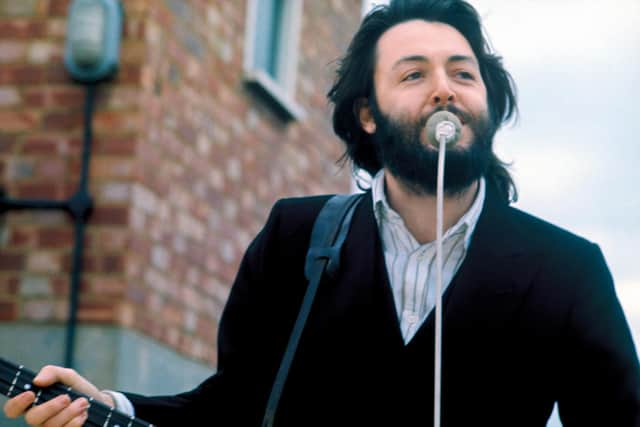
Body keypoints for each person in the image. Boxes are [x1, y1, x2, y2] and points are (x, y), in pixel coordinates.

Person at [4, 0, 640, 425]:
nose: (445, 87)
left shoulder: (568, 270)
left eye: (463, 73)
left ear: (487, 103)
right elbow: (230, 408)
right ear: (368, 113)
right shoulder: (298, 236)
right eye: (414, 74)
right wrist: (108, 404)